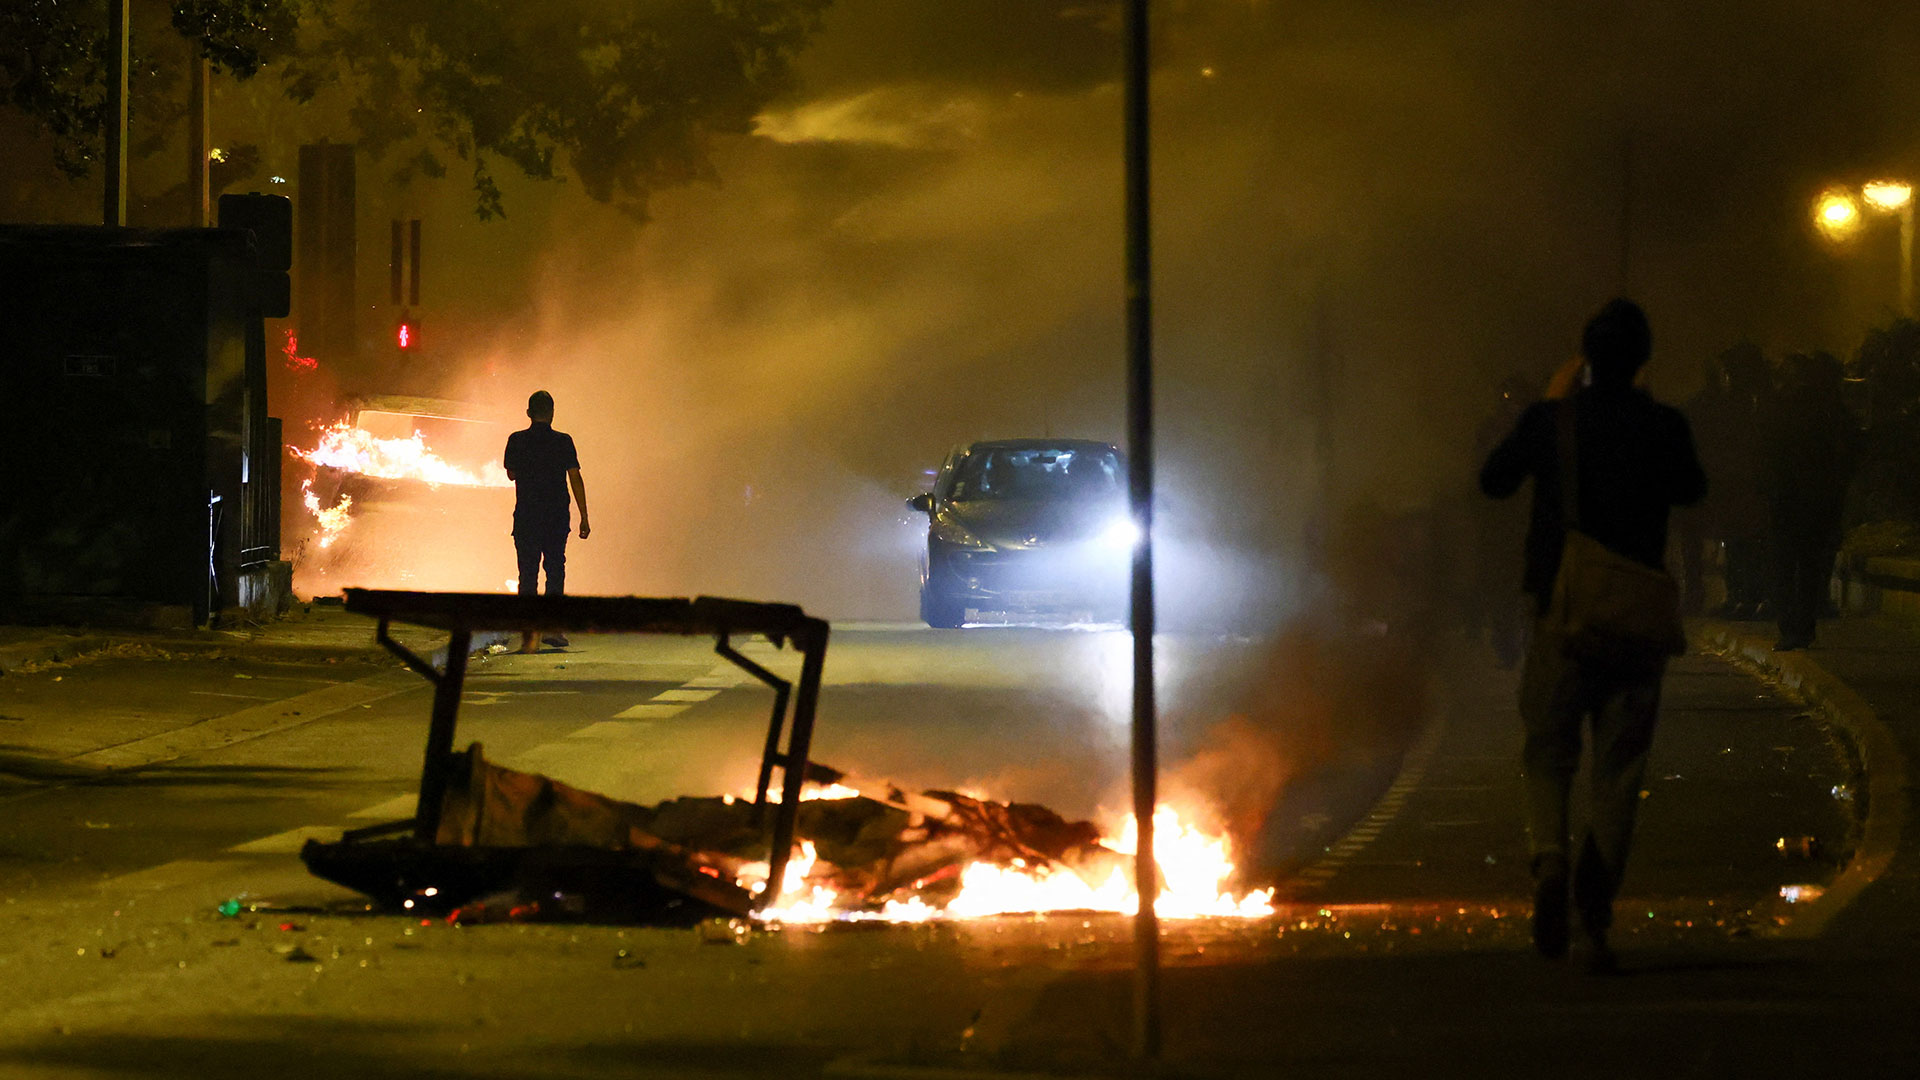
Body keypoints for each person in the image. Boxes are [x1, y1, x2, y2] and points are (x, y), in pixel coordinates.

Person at [1478, 299, 1707, 972]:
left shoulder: (1553, 421)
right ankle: (1595, 900)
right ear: (1642, 361)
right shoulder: (1663, 425)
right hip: (1634, 615)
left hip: (1563, 610)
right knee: (1620, 764)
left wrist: (1551, 408)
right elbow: (1692, 489)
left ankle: (1549, 857)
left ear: (1582, 360)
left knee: (1547, 751)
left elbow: (1493, 481)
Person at [1761, 352, 1859, 651]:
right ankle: (1802, 628)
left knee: (1785, 566)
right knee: (1809, 567)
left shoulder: (1785, 407)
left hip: (1788, 499)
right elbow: (1850, 454)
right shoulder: (1834, 411)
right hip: (1817, 501)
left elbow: (1768, 452)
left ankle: (1791, 627)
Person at [503, 390, 590, 653]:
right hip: (556, 517)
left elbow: (511, 474)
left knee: (527, 573)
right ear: (552, 413)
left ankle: (529, 632)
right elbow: (575, 478)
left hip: (527, 516)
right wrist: (584, 516)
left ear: (529, 413)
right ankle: (552, 627)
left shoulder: (516, 440)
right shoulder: (564, 442)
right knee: (554, 569)